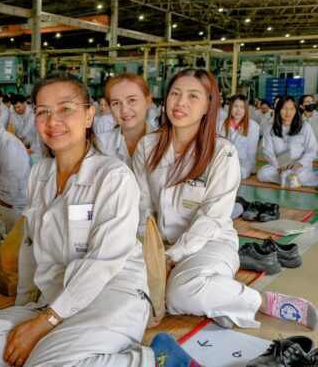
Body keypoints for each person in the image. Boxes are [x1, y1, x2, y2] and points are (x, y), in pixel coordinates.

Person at [0, 71, 152, 367]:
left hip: (111, 297)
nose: (53, 121)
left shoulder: (113, 176)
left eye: (66, 109)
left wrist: (44, 322)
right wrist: (26, 311)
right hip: (54, 298)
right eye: (43, 112)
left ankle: (152, 360)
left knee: (43, 364)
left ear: (89, 116)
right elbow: (29, 249)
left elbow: (103, 262)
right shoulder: (40, 173)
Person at [134, 68, 318, 331]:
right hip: (160, 245)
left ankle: (262, 301)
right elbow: (142, 207)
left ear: (208, 106)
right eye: (175, 93)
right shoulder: (148, 146)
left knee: (178, 294)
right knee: (123, 288)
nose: (181, 102)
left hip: (210, 243)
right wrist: (149, 253)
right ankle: (218, 302)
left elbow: (211, 218)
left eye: (193, 96)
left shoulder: (222, 152)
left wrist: (169, 259)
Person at [95, 72, 156, 168]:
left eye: (132, 100)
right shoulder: (101, 143)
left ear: (148, 102)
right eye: (116, 103)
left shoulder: (164, 142)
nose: (124, 110)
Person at [257, 96, 318, 187]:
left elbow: (312, 150)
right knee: (262, 174)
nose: (288, 112)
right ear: (278, 110)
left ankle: (287, 179)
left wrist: (300, 163)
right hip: (280, 165)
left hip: (299, 167)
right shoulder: (270, 127)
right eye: (285, 108)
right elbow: (268, 151)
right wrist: (278, 166)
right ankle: (291, 180)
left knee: (302, 175)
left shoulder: (305, 126)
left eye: (291, 108)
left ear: (296, 110)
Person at [217, 94, 260, 180]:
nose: (238, 110)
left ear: (246, 109)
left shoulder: (253, 126)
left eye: (242, 107)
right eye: (235, 106)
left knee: (240, 172)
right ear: (230, 107)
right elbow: (217, 145)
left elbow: (251, 151)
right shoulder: (221, 123)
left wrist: (251, 168)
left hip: (242, 162)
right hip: (224, 159)